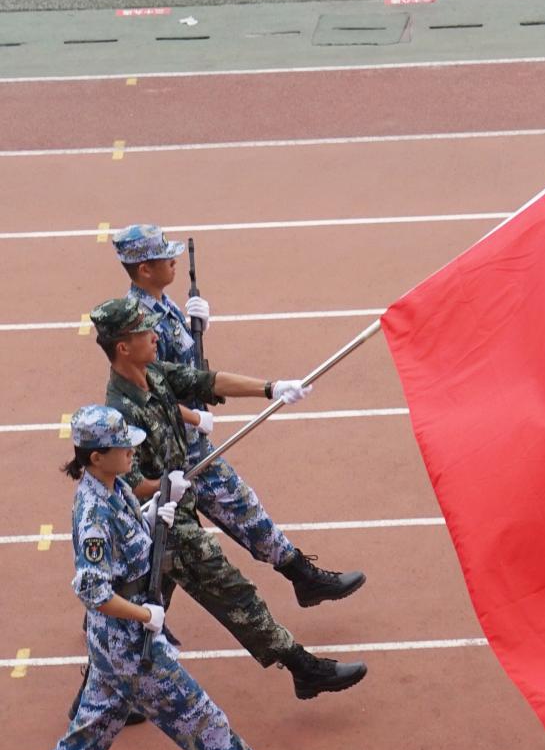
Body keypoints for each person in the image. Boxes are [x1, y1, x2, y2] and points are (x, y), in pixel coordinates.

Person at [27, 408, 340, 750]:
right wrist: (146, 615)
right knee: (200, 717)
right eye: (123, 446)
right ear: (96, 456)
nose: (131, 451)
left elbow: (129, 545)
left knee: (95, 725)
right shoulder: (93, 512)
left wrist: (156, 513)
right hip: (128, 645)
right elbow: (92, 590)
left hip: (117, 642)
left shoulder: (113, 488)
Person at [91, 296, 368, 699]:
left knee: (141, 605)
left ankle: (108, 688)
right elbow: (128, 484)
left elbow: (208, 381)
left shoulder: (154, 374)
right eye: (144, 331)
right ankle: (303, 668)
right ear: (123, 347)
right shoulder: (120, 412)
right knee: (233, 592)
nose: (155, 335)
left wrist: (272, 388)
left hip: (177, 501)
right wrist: (165, 484)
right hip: (162, 520)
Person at [113, 227, 367, 606]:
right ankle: (302, 577)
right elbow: (151, 392)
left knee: (177, 536)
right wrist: (196, 417)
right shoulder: (140, 323)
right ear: (145, 269)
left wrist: (195, 328)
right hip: (174, 448)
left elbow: (186, 371)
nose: (174, 261)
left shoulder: (163, 306)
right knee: (217, 518)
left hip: (188, 442)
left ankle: (124, 606)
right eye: (165, 257)